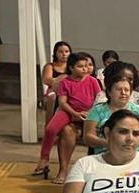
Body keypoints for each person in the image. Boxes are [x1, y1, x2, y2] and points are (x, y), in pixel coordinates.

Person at [33, 51, 102, 183]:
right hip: (68, 111)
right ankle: (44, 157)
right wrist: (75, 114)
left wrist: (90, 112)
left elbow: (99, 99)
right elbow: (62, 102)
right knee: (50, 129)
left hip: (89, 113)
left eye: (87, 66)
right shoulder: (65, 82)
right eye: (80, 66)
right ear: (71, 68)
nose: (85, 69)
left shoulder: (93, 81)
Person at [83, 67, 139, 154]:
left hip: (136, 153)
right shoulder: (97, 110)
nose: (123, 93)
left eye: (127, 90)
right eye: (119, 89)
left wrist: (126, 145)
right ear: (109, 92)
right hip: (106, 153)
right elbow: (88, 137)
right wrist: (109, 144)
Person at [41, 40, 71, 121]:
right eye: (60, 52)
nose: (64, 54)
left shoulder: (72, 66)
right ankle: (49, 124)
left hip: (70, 91)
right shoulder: (50, 66)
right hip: (53, 91)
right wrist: (62, 79)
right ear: (55, 53)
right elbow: (46, 80)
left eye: (66, 51)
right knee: (52, 97)